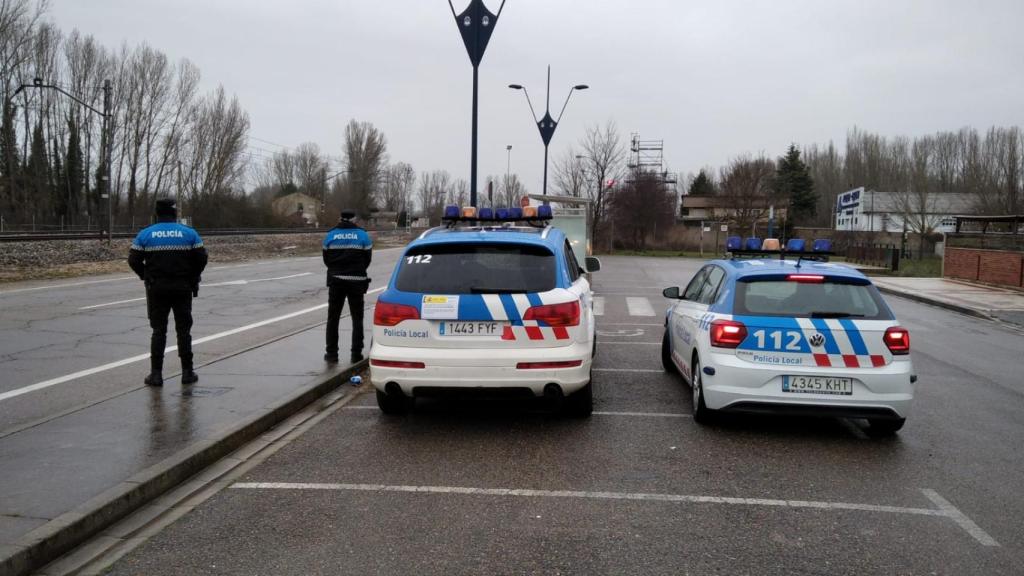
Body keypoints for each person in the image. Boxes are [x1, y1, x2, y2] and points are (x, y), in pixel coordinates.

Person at [128, 198, 208, 387]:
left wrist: (145, 275)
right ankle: (187, 373)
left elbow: (133, 260)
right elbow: (202, 258)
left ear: (157, 213)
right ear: (174, 214)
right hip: (182, 288)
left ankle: (156, 375)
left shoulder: (146, 234)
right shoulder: (189, 233)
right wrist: (193, 276)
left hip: (157, 289)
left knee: (158, 331)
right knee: (184, 331)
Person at [323, 209, 373, 363]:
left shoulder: (330, 235)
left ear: (340, 218)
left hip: (336, 281)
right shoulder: (363, 235)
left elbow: (326, 261)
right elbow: (367, 260)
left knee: (333, 318)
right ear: (354, 219)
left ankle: (332, 354)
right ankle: (356, 354)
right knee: (357, 318)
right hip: (356, 281)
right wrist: (357, 271)